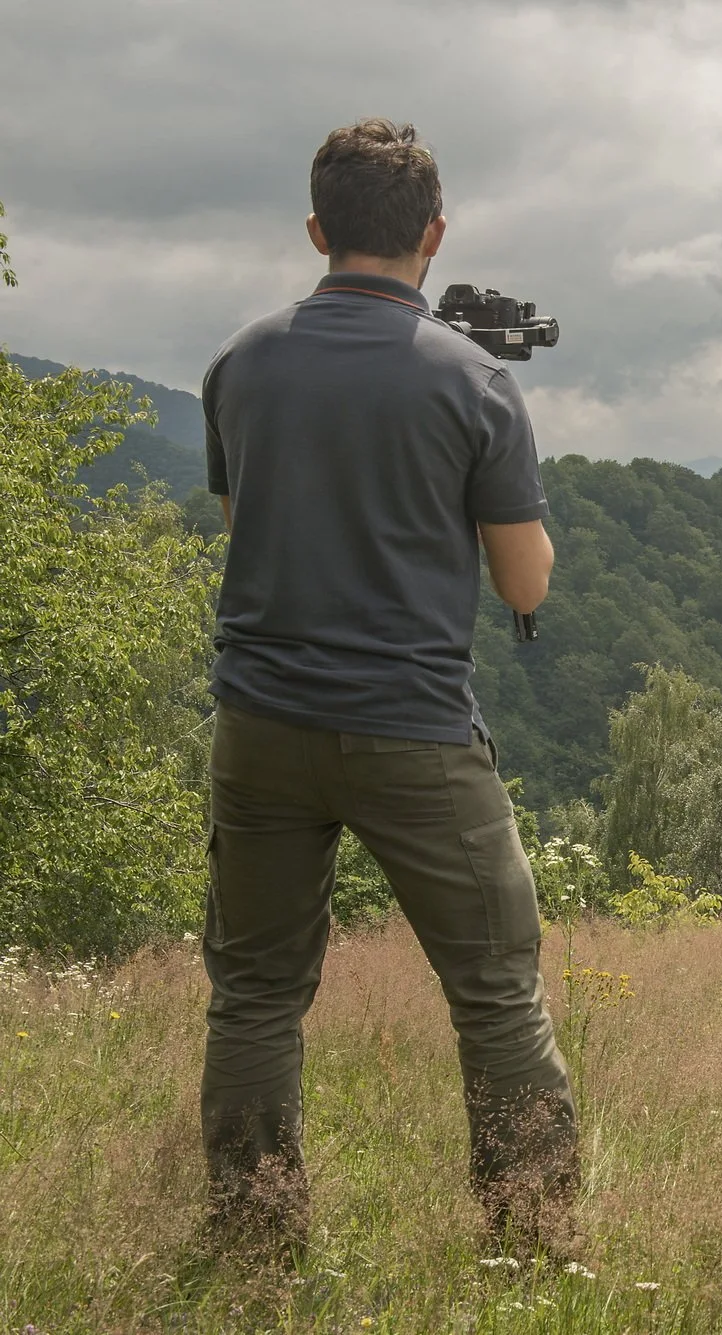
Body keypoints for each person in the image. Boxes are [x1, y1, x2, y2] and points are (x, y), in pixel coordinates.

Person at [199, 119, 576, 1251]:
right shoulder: (475, 381)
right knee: (497, 989)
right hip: (412, 729)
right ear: (434, 234)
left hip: (260, 725)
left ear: (316, 231)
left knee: (255, 993)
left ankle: (255, 1238)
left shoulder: (240, 363)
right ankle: (528, 1241)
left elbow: (243, 530)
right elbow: (524, 579)